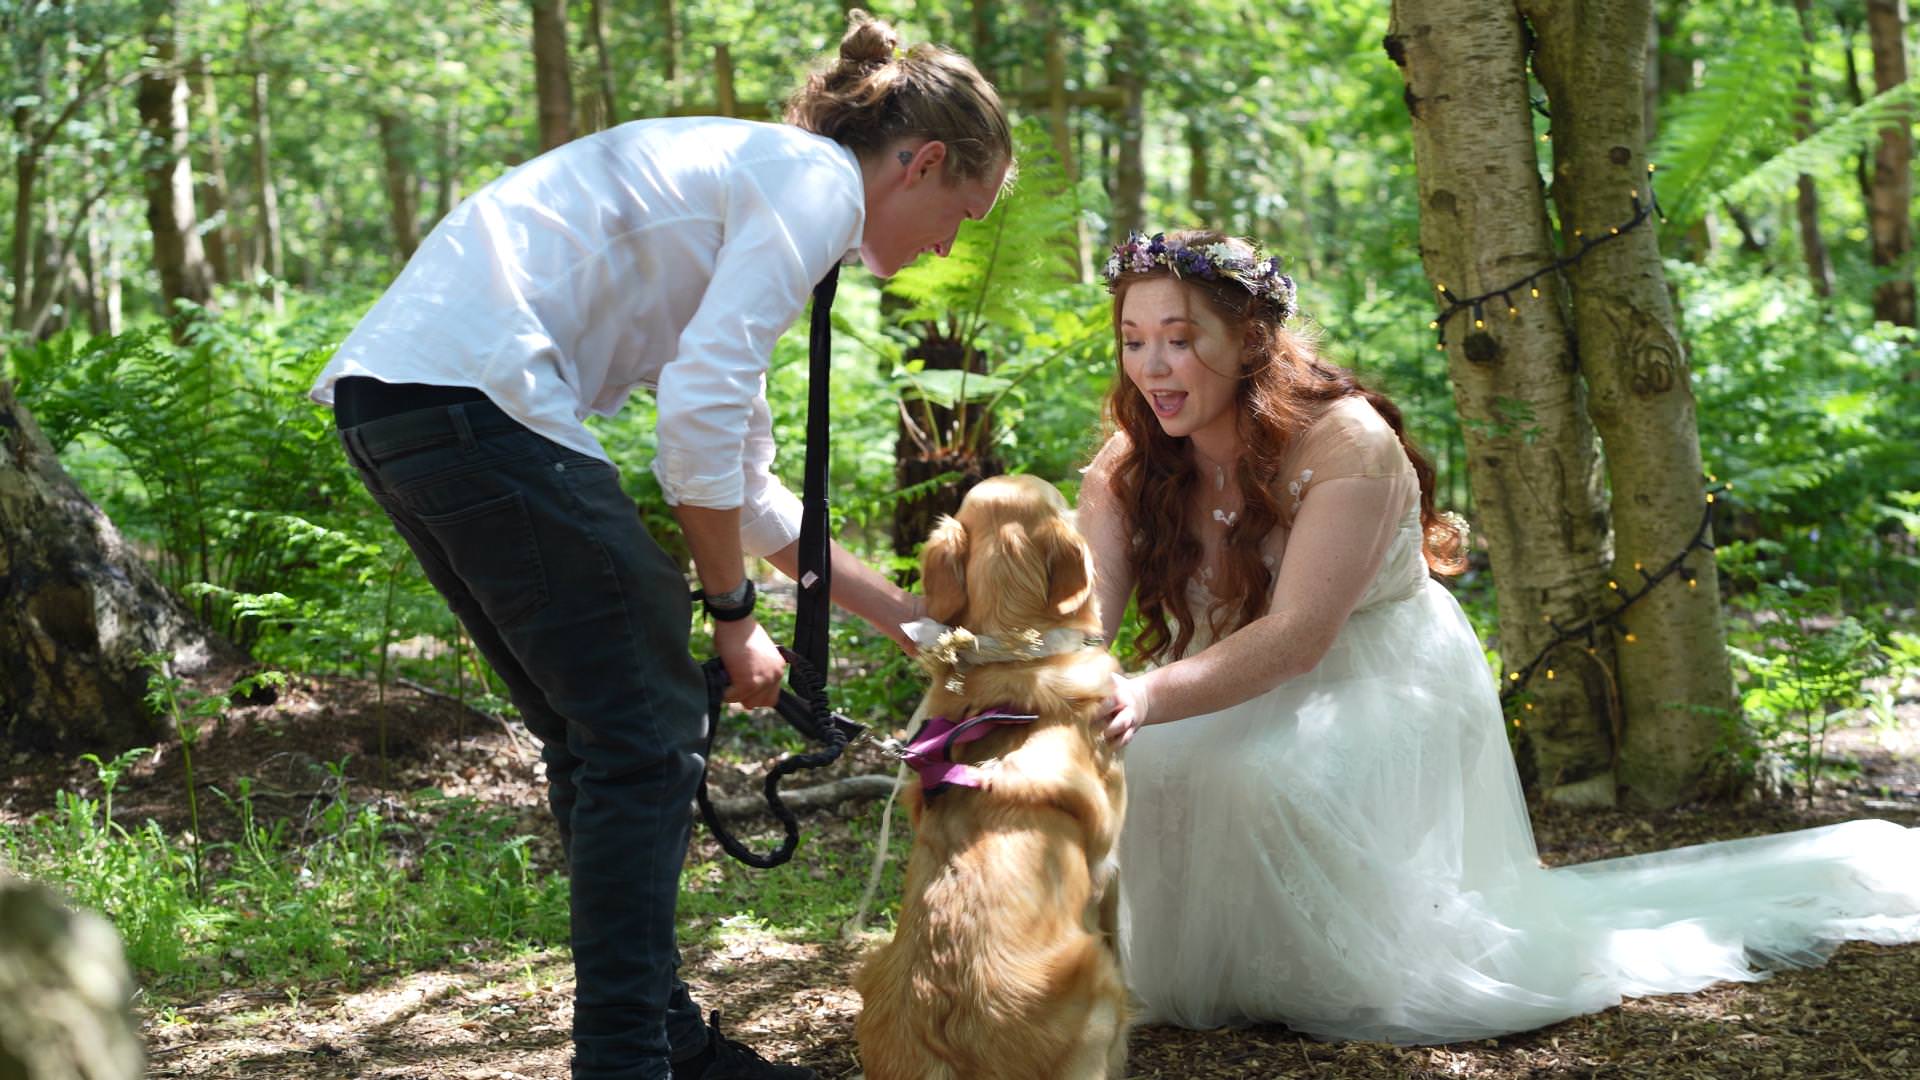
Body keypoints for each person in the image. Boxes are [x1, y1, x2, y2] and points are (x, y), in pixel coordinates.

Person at [310, 12, 1010, 1079]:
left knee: (606, 735)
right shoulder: (816, 184)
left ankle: (657, 1040)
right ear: (920, 163)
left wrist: (913, 623)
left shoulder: (771, 188)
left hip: (404, 404)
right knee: (641, 737)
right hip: (475, 398)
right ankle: (630, 1057)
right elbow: (696, 415)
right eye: (962, 212)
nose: (949, 245)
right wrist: (735, 621)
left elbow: (746, 483)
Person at [1079, 228, 1920, 1044]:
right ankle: (1202, 968)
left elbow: (1299, 637)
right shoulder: (1130, 463)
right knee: (1143, 762)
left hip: (1375, 677)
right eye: (1133, 341)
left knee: (1257, 773)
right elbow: (1085, 627)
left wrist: (1144, 692)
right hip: (1231, 673)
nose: (1152, 367)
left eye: (1180, 340)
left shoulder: (1345, 442)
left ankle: (1322, 969)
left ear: (1251, 338)